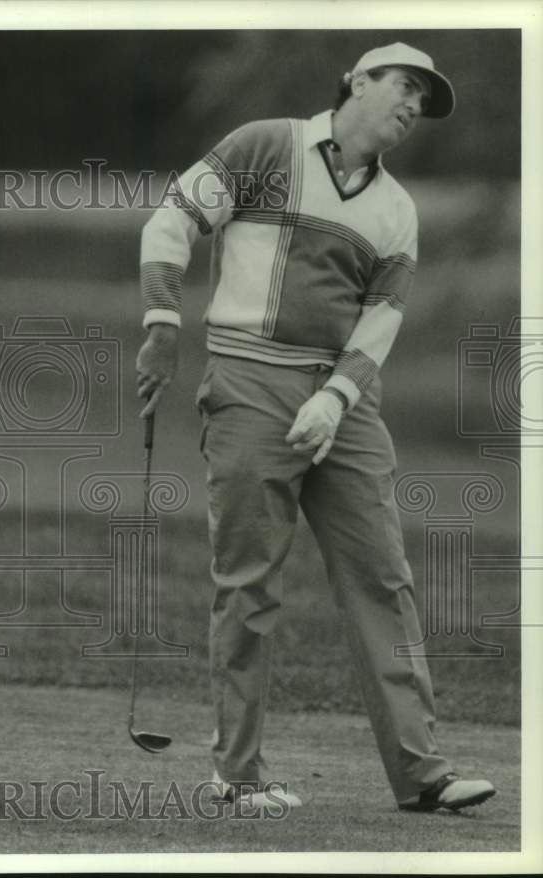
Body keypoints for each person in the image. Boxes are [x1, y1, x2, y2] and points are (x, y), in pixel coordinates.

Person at [135, 42, 496, 812]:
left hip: (344, 398)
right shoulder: (265, 144)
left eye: (423, 101)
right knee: (249, 584)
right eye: (405, 87)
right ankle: (237, 778)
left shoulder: (396, 209)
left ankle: (421, 773)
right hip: (247, 377)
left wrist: (334, 399)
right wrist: (163, 321)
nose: (412, 107)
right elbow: (172, 220)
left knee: (383, 576)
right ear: (358, 81)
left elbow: (382, 318)